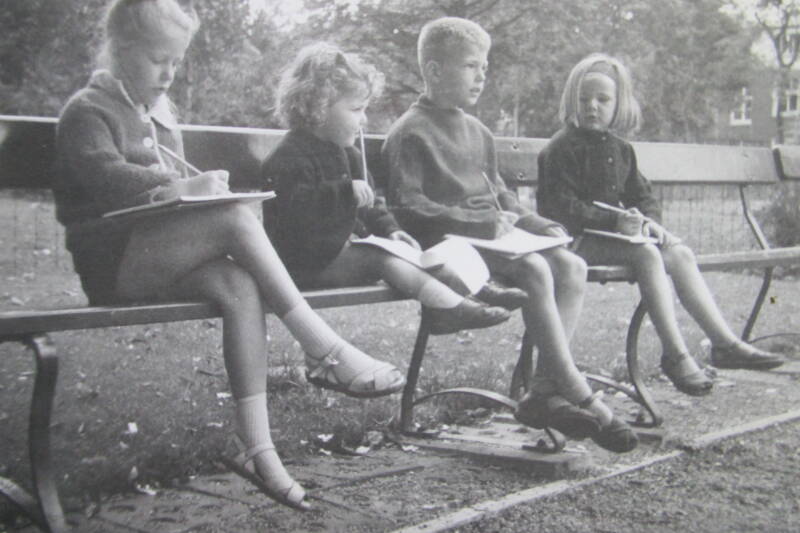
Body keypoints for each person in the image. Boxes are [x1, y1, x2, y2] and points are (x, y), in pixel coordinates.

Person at [53, 0, 405, 511]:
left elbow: (170, 199)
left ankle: (256, 447)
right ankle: (324, 351)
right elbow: (103, 176)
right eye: (157, 60)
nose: (169, 74)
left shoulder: (157, 114)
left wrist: (197, 189)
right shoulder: (89, 110)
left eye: (176, 61)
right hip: (112, 264)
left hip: (160, 258)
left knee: (240, 285)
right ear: (120, 50)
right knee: (237, 219)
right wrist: (176, 186)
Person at [383, 17, 637, 453]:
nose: (481, 75)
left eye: (484, 66)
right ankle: (576, 389)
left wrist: (538, 224)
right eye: (470, 66)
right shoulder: (410, 132)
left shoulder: (479, 132)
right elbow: (407, 207)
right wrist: (478, 224)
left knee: (570, 265)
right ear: (434, 71)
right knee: (535, 268)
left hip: (494, 242)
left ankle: (544, 389)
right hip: (448, 247)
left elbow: (501, 196)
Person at [536, 53, 785, 398]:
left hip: (610, 239)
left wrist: (649, 223)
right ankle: (675, 354)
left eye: (603, 99)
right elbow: (561, 207)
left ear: (618, 104)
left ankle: (725, 344)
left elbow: (642, 195)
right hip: (571, 243)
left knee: (679, 253)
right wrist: (615, 220)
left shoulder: (621, 149)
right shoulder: (561, 148)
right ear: (572, 101)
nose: (592, 106)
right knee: (647, 255)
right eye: (584, 99)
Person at [261, 42, 524, 337]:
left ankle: (477, 289)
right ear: (317, 108)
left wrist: (391, 230)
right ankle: (447, 308)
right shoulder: (289, 157)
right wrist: (345, 192)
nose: (364, 120)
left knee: (416, 251)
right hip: (302, 264)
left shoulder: (347, 153)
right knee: (380, 258)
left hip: (335, 254)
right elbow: (296, 212)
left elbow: (371, 205)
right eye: (356, 109)